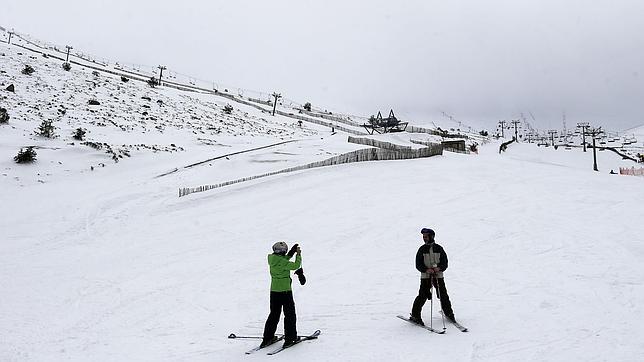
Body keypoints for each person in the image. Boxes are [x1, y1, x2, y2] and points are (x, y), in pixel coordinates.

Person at [409, 228, 456, 325]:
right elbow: (418, 264)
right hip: (426, 277)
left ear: (431, 236)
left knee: (443, 294)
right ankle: (415, 315)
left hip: (438, 276)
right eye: (423, 237)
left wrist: (439, 268)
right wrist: (426, 270)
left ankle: (449, 313)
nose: (424, 238)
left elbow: (445, 262)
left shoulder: (439, 248)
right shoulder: (421, 249)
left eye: (426, 236)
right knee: (423, 295)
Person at [261, 241, 302, 348]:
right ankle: (290, 338)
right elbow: (295, 265)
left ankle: (267, 338)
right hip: (285, 292)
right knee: (289, 315)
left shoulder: (273, 259)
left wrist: (291, 253)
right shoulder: (283, 262)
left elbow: (282, 261)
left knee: (274, 315)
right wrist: (298, 255)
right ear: (283, 252)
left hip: (274, 292)